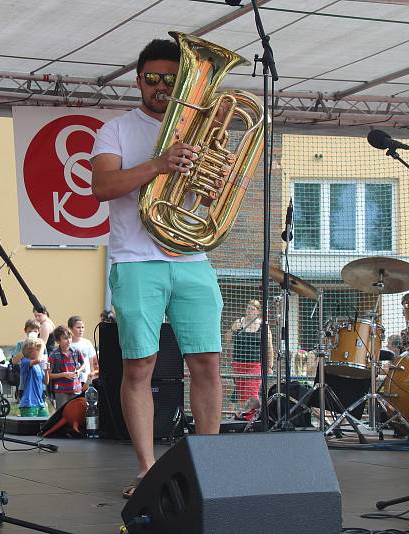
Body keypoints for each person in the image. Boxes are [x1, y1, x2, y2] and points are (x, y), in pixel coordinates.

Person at [91, 38, 225, 499]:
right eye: (153, 78)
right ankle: (147, 469)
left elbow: (210, 199)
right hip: (136, 259)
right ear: (138, 80)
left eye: (173, 79)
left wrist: (212, 182)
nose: (162, 87)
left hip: (191, 257)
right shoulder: (116, 131)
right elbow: (103, 186)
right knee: (139, 367)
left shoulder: (202, 131)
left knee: (206, 362)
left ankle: (210, 466)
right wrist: (160, 164)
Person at [224, 300, 274, 405]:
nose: (249, 311)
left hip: (255, 364)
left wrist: (270, 366)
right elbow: (226, 340)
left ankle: (253, 414)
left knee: (252, 390)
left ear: (258, 311)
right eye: (248, 308)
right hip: (239, 363)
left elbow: (269, 346)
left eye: (252, 309)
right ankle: (244, 415)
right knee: (242, 393)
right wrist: (232, 330)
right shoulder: (239, 322)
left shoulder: (263, 325)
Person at [47, 325, 85, 410]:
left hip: (76, 388)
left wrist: (79, 371)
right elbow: (49, 375)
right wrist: (64, 374)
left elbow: (84, 364)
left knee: (76, 412)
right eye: (65, 338)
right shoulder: (53, 355)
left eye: (70, 337)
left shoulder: (76, 351)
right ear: (58, 341)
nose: (69, 341)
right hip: (61, 390)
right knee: (62, 412)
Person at [18, 338, 49, 417]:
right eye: (37, 349)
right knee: (30, 427)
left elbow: (46, 381)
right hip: (28, 403)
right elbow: (39, 359)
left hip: (40, 403)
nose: (40, 352)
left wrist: (46, 371)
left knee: (45, 423)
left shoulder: (37, 366)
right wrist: (42, 344)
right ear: (30, 351)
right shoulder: (25, 361)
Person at [11, 319, 42, 400]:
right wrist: (25, 348)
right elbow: (14, 361)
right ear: (25, 331)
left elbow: (42, 360)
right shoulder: (20, 344)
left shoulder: (41, 344)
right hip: (24, 383)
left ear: (39, 331)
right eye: (30, 331)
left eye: (35, 331)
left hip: (38, 382)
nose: (32, 333)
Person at [68, 315, 97, 383]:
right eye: (78, 327)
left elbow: (92, 361)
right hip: (72, 380)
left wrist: (92, 376)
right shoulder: (67, 344)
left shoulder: (87, 343)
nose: (81, 330)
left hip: (85, 379)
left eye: (82, 327)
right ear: (70, 329)